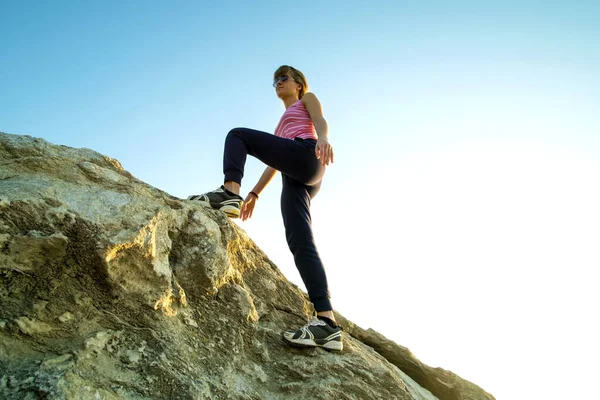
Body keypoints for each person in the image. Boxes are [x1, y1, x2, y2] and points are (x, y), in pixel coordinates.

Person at [188, 65, 343, 351]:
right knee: (300, 241)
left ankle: (227, 193)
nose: (277, 83)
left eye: (283, 78)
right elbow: (274, 163)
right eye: (274, 81)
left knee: (238, 135)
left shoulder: (306, 100)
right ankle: (327, 324)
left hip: (309, 153)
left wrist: (323, 138)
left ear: (298, 84)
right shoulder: (281, 125)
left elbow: (320, 120)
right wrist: (255, 194)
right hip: (296, 174)